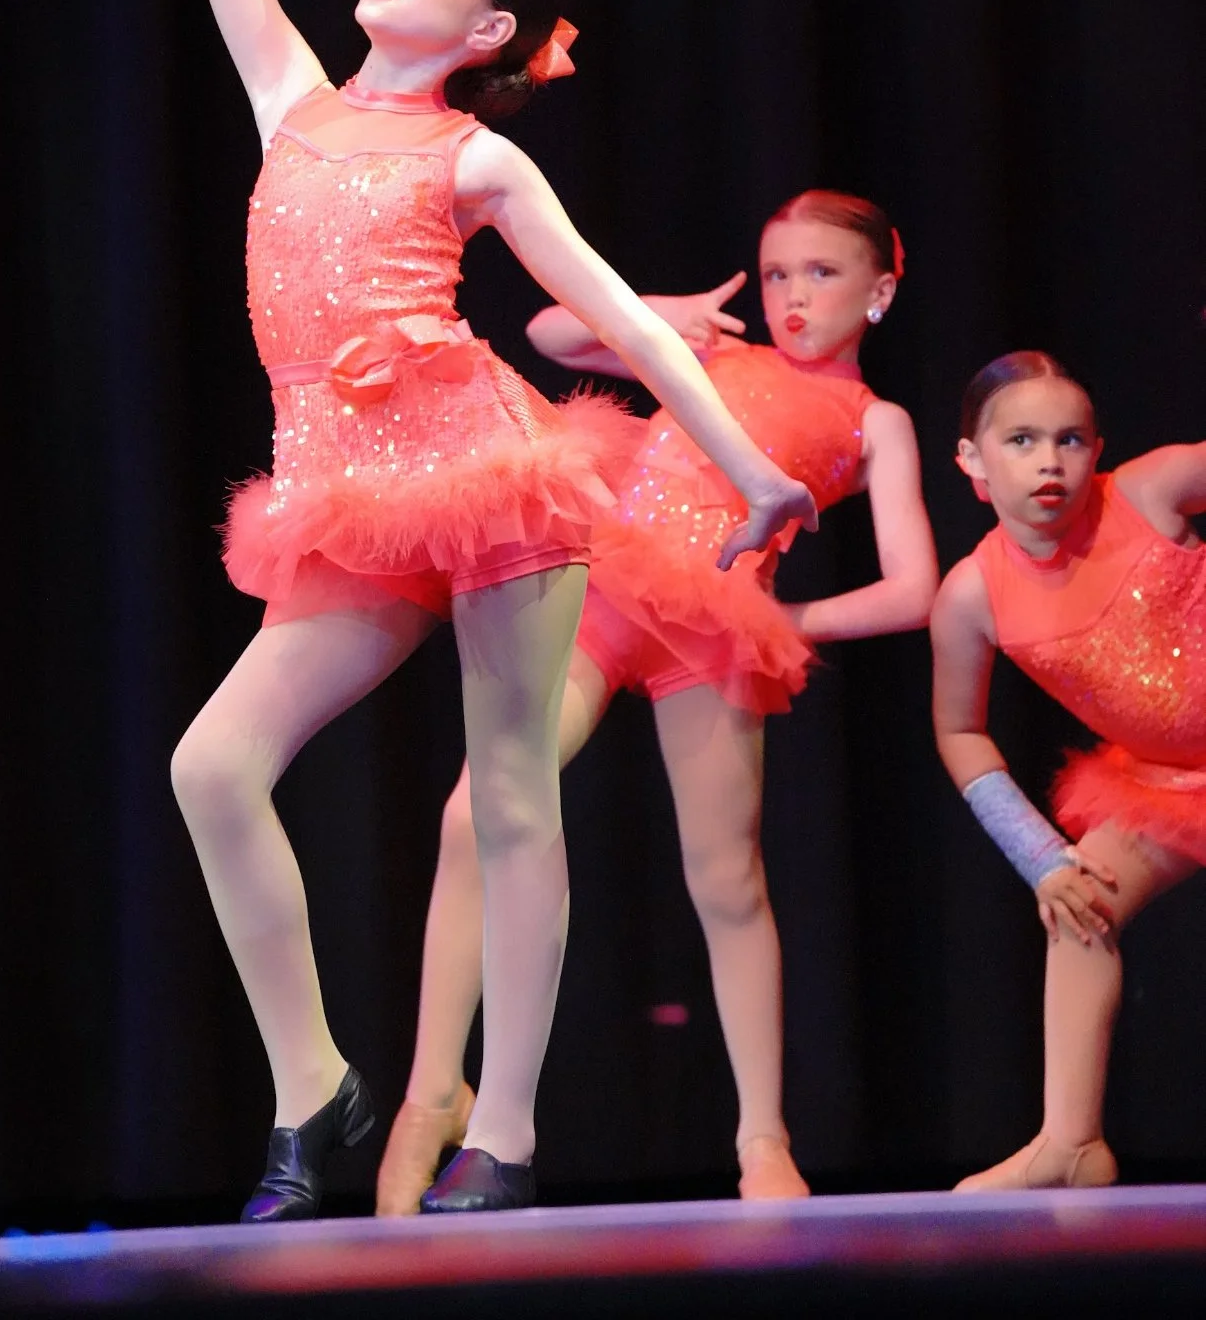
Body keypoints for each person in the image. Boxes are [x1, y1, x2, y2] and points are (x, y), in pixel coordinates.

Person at [170, 0, 817, 1218]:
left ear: (485, 36)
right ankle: (312, 1087)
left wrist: (749, 470)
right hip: (344, 498)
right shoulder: (288, 95)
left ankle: (504, 1134)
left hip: (486, 475)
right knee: (213, 768)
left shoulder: (478, 154)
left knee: (510, 795)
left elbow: (631, 322)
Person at [376, 191, 936, 1212]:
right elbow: (549, 328)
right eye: (776, 274)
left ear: (881, 289)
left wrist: (774, 619)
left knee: (726, 879)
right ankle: (431, 1089)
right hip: (608, 589)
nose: (792, 296)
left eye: (821, 273)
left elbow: (914, 589)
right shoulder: (710, 357)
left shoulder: (875, 420)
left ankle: (762, 1135)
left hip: (713, 634)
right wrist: (663, 309)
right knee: (475, 811)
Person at [931, 350, 1206, 1190]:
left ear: (1097, 449)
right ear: (973, 461)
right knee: (1081, 903)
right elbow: (960, 731)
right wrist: (1039, 857)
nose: (1049, 462)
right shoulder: (972, 595)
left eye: (1069, 440)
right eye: (1020, 440)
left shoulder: (1154, 491)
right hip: (1166, 785)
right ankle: (1072, 1144)